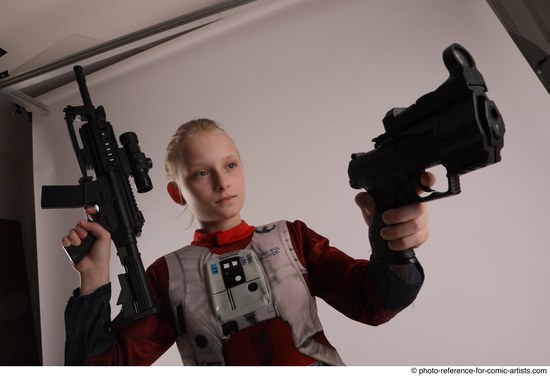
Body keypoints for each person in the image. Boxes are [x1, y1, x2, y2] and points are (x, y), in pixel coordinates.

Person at [62, 118, 434, 366]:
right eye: (201, 173)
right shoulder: (166, 275)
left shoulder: (294, 238)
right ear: (178, 193)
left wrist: (394, 247)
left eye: (230, 165)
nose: (222, 183)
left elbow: (375, 302)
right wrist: (93, 277)